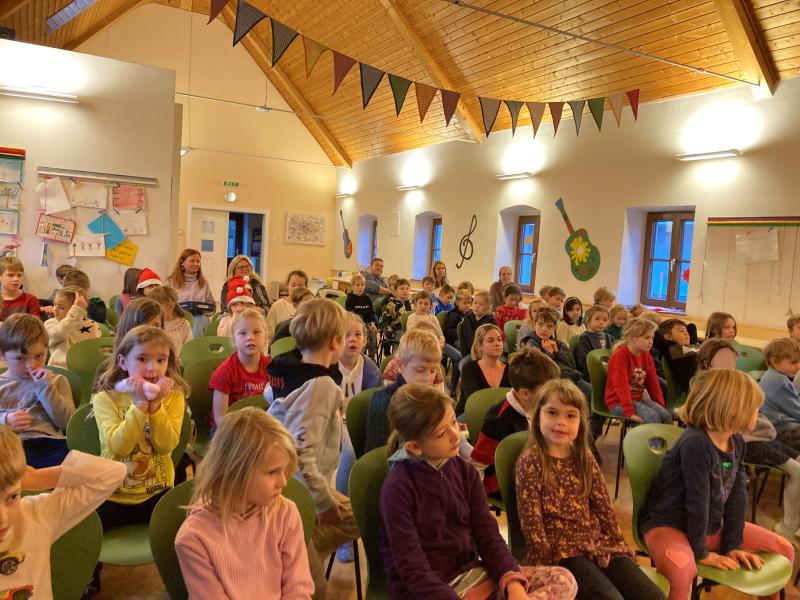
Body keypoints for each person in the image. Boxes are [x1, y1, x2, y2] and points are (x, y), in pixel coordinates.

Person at [379, 383, 578, 600]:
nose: (455, 435)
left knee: (563, 580)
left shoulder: (465, 471)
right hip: (427, 591)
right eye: (441, 433)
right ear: (415, 447)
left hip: (472, 576)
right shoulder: (397, 488)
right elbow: (412, 569)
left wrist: (512, 579)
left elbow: (488, 535)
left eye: (453, 422)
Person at [640, 369, 794, 600]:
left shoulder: (736, 441)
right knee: (681, 570)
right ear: (732, 409)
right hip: (669, 525)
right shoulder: (696, 443)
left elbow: (737, 497)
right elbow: (697, 502)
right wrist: (700, 552)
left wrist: (733, 544)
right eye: (755, 408)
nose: (759, 413)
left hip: (708, 525)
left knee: (784, 549)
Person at [516, 379, 666, 600]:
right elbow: (532, 524)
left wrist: (618, 544)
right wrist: (547, 568)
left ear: (581, 421)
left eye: (570, 415)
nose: (561, 422)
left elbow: (603, 506)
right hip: (561, 552)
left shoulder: (584, 457)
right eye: (552, 413)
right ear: (537, 416)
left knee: (653, 596)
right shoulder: (531, 461)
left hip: (596, 543)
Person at [266, 299, 360, 597]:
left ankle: (297, 554)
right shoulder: (321, 385)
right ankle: (290, 557)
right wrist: (321, 502)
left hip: (292, 482)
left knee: (360, 515)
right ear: (335, 342)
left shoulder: (289, 367)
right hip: (291, 488)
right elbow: (300, 453)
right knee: (315, 589)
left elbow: (272, 400)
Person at [175, 408, 314, 599]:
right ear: (235, 472)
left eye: (283, 471)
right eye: (272, 472)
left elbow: (298, 587)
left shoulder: (286, 513)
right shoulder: (193, 538)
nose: (283, 482)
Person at [0, 426, 125, 598]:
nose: (3, 518)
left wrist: (34, 478)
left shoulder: (35, 516)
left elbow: (111, 473)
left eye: (12, 497)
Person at [698, 338, 800, 544]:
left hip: (756, 438)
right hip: (750, 443)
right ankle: (788, 528)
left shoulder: (737, 384)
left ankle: (791, 526)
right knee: (797, 471)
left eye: (732, 360)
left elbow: (755, 419)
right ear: (708, 363)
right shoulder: (710, 390)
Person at [92, 325, 188, 529]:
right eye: (142, 359)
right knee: (88, 537)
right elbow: (119, 447)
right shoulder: (105, 399)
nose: (152, 368)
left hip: (158, 493)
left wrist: (155, 407)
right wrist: (139, 405)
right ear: (123, 362)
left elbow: (166, 445)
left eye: (161, 360)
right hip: (112, 495)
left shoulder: (174, 398)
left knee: (177, 535)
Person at [472, 348, 559, 496]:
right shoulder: (498, 422)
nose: (553, 395)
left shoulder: (540, 406)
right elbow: (477, 465)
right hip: (504, 484)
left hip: (534, 471)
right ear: (524, 394)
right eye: (547, 391)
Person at [0, 314, 74, 467]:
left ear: (47, 351)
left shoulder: (57, 381)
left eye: (39, 356)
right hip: (8, 447)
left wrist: (44, 387)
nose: (31, 365)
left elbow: (67, 423)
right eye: (20, 358)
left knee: (74, 467)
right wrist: (4, 421)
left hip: (49, 445)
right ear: (2, 356)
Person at [366, 328, 442, 452]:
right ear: (401, 366)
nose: (428, 378)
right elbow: (378, 453)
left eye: (433, 371)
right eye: (420, 370)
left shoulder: (431, 398)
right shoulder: (384, 401)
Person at [604, 317, 672, 424]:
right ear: (631, 338)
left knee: (666, 415)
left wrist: (661, 406)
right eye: (646, 338)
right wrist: (629, 412)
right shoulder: (620, 356)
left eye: (652, 338)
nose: (651, 342)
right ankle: (644, 435)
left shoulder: (646, 355)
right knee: (652, 417)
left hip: (637, 398)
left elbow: (653, 383)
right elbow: (620, 386)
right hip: (618, 402)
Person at [209, 308, 270, 426]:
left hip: (259, 425)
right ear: (234, 340)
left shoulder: (271, 368)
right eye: (243, 333)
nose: (250, 337)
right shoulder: (224, 372)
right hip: (230, 428)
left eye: (256, 332)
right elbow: (220, 418)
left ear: (266, 339)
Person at [519, 307, 591, 402]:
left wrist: (557, 351)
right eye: (540, 324)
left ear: (554, 329)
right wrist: (549, 353)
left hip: (571, 378)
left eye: (549, 326)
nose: (544, 329)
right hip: (553, 384)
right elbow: (540, 371)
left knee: (596, 394)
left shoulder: (559, 343)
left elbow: (572, 364)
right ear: (534, 325)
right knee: (591, 398)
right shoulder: (531, 344)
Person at [44, 285, 101, 368]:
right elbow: (58, 334)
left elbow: (95, 348)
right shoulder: (51, 323)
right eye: (55, 304)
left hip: (84, 369)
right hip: (61, 371)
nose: (55, 309)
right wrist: (75, 314)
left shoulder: (92, 324)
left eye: (62, 308)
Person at [458, 323, 510, 414]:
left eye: (499, 340)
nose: (497, 344)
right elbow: (475, 401)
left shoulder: (510, 369)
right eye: (490, 340)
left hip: (501, 415)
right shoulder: (469, 369)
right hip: (471, 414)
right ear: (479, 346)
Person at [759, 337, 800, 450]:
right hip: (785, 431)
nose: (798, 366)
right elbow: (796, 410)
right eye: (793, 362)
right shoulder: (779, 381)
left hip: (780, 428)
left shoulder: (772, 376)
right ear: (774, 362)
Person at [406, 290, 461, 374]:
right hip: (420, 346)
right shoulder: (412, 318)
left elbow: (440, 334)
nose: (423, 306)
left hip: (436, 344)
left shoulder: (433, 318)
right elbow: (411, 336)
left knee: (459, 356)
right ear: (415, 304)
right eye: (420, 303)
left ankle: (453, 381)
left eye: (426, 304)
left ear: (430, 306)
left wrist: (441, 342)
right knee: (431, 363)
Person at [166, 249, 216, 337]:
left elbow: (211, 305)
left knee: (198, 319)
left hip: (200, 318)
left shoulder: (204, 282)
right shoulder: (171, 281)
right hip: (179, 317)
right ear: (182, 262)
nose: (196, 264)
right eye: (192, 261)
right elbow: (166, 305)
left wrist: (202, 310)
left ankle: (195, 344)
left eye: (198, 261)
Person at [265, 270, 308, 341]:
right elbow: (269, 333)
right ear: (287, 285)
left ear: (306, 287)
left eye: (300, 286)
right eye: (293, 285)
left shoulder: (310, 307)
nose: (296, 288)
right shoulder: (277, 306)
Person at [659, 318, 699, 394]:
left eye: (687, 331)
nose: (686, 333)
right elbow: (657, 336)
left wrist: (684, 330)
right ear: (668, 337)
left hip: (705, 377)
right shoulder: (671, 348)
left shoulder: (693, 345)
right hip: (694, 387)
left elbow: (692, 326)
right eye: (681, 331)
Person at [575, 305, 615, 382]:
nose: (601, 322)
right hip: (592, 375)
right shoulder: (585, 338)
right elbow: (583, 362)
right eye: (597, 319)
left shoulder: (610, 338)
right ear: (589, 320)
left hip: (609, 373)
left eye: (605, 320)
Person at [148, 286, 193, 354]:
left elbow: (189, 349)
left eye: (157, 307)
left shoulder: (184, 324)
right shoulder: (152, 324)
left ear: (171, 306)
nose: (153, 310)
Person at [345, 273, 378, 356]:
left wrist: (372, 322)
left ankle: (372, 355)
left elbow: (371, 312)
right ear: (352, 286)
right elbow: (350, 314)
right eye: (358, 285)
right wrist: (361, 324)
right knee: (363, 332)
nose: (360, 287)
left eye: (362, 285)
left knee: (373, 330)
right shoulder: (350, 299)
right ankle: (361, 354)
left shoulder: (367, 299)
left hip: (367, 322)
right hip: (355, 324)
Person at [458, 291, 497, 358]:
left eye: (481, 304)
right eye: (475, 303)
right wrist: (466, 356)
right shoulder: (467, 319)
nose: (477, 306)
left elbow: (492, 342)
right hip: (469, 354)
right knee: (463, 363)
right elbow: (463, 340)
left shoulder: (491, 323)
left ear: (488, 308)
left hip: (486, 355)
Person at [380, 277, 412, 353]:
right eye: (402, 289)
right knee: (403, 339)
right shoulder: (391, 305)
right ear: (395, 291)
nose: (405, 290)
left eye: (407, 289)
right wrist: (387, 329)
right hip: (396, 330)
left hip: (410, 329)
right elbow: (385, 320)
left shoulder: (412, 305)